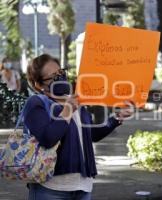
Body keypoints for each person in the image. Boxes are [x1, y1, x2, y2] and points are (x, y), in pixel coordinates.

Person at [24, 54, 133, 200]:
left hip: (82, 187)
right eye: (53, 77)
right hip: (50, 188)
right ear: (39, 84)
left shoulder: (75, 101)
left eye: (61, 73)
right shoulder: (36, 103)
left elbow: (90, 134)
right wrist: (68, 110)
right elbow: (48, 138)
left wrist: (117, 118)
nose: (60, 78)